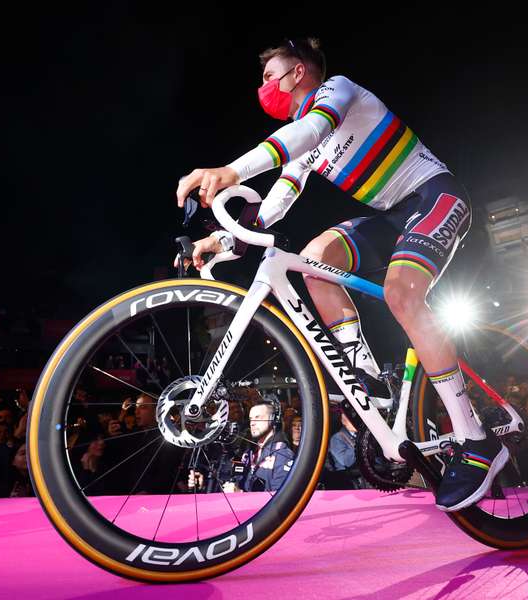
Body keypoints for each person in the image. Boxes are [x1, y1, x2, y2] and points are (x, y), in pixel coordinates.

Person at [175, 37, 505, 512]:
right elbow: (270, 211)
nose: (264, 86)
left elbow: (311, 130)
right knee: (315, 260)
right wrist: (221, 241)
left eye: (271, 76)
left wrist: (230, 169)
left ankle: (475, 438)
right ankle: (366, 376)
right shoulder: (301, 148)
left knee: (402, 296)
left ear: (300, 73)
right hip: (394, 216)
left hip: (435, 195)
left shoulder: (338, 91)